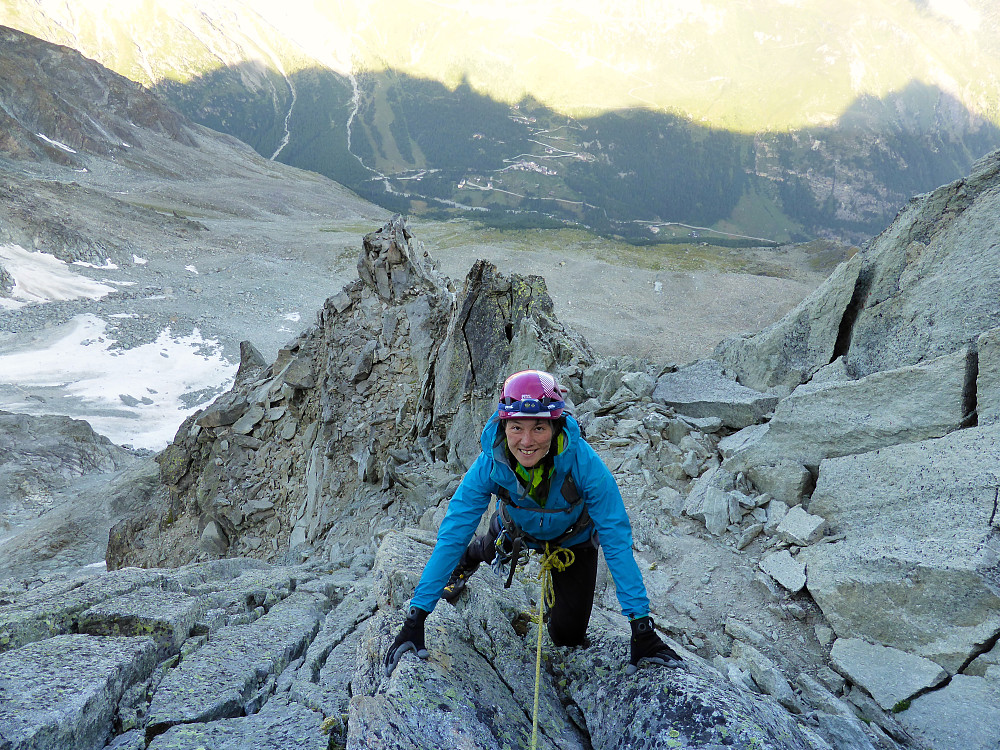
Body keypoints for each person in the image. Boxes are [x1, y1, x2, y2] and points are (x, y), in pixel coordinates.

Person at [384, 369, 682, 676]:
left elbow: (617, 540)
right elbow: (453, 532)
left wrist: (641, 628)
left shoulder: (584, 463)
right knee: (486, 547)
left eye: (539, 427)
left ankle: (556, 595)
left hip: (572, 542)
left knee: (567, 637)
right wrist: (416, 617)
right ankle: (471, 559)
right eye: (516, 427)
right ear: (504, 425)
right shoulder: (490, 463)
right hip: (517, 530)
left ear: (555, 426)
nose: (526, 441)